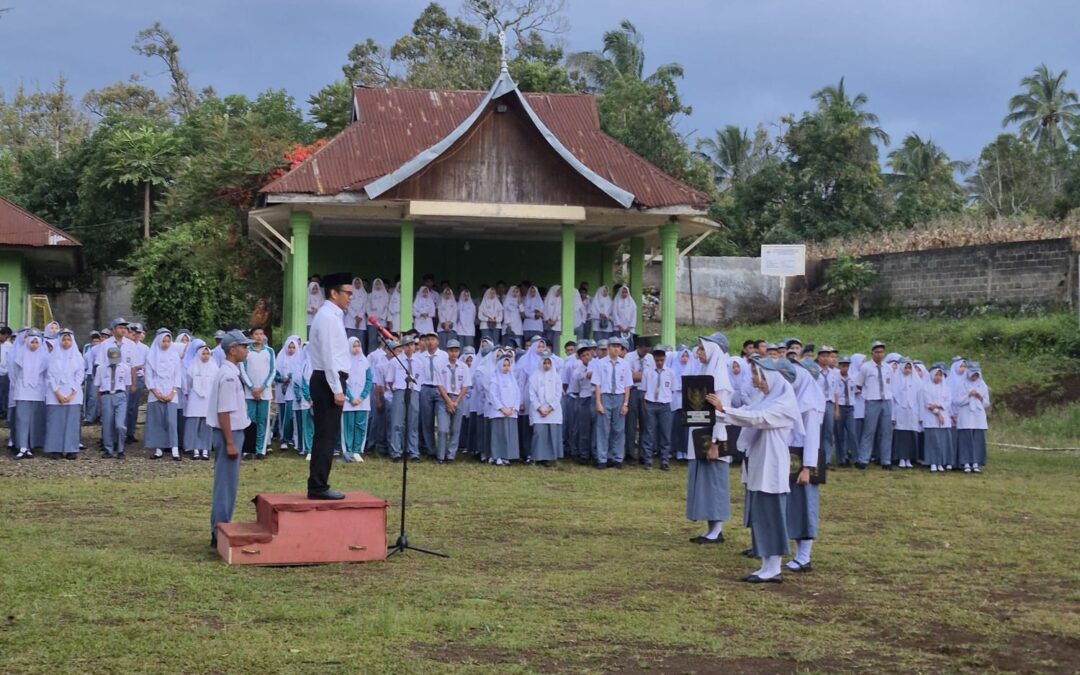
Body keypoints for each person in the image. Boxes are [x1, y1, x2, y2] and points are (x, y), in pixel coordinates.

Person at [720, 356, 802, 583]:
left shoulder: (783, 404)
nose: (757, 380)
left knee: (772, 516)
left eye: (760, 376)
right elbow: (747, 412)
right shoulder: (765, 400)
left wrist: (723, 409)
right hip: (759, 462)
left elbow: (756, 419)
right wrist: (714, 412)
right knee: (761, 516)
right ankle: (766, 565)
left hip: (772, 466)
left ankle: (774, 568)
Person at [307, 272, 355, 500]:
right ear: (334, 293)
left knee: (327, 435)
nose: (350, 297)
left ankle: (319, 483)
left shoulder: (334, 316)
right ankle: (318, 486)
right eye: (347, 293)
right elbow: (328, 356)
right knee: (325, 436)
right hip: (327, 381)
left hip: (330, 379)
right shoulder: (327, 317)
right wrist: (337, 388)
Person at [688, 333, 734, 544]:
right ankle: (711, 529)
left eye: (702, 349)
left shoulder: (720, 379)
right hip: (702, 435)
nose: (698, 353)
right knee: (706, 483)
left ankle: (717, 530)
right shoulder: (705, 372)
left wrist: (716, 444)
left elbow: (721, 415)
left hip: (714, 438)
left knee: (715, 482)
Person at [208, 330, 253, 549]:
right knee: (226, 485)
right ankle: (219, 531)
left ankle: (220, 528)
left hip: (232, 432)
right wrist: (230, 442)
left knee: (228, 484)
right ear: (232, 350)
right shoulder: (228, 375)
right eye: (244, 347)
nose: (247, 350)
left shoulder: (231, 372)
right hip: (229, 433)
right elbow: (224, 412)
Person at [786, 358, 826, 573]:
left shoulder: (810, 404)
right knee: (795, 506)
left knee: (806, 506)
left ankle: (804, 557)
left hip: (804, 462)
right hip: (793, 457)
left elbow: (812, 439)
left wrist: (808, 468)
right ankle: (799, 554)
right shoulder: (798, 398)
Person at [592, 337, 632, 469]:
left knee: (619, 429)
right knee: (603, 429)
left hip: (619, 397)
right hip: (605, 396)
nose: (616, 349)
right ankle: (602, 458)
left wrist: (625, 404)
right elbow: (597, 384)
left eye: (618, 347)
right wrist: (598, 402)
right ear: (608, 348)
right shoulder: (600, 363)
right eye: (613, 346)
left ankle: (617, 457)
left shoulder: (625, 364)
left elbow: (627, 385)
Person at [44, 329, 83, 459]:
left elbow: (80, 375)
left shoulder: (78, 356)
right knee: (55, 422)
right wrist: (57, 393)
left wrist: (72, 393)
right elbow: (49, 375)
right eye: (64, 340)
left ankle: (71, 448)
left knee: (72, 422)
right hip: (55, 393)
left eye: (68, 340)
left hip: (73, 393)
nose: (66, 342)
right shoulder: (52, 356)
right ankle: (55, 449)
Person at [144, 328, 183, 461]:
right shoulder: (151, 356)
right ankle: (158, 449)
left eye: (168, 341)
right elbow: (148, 376)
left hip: (171, 392)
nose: (166, 344)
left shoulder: (174, 356)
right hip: (156, 392)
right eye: (164, 341)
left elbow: (178, 375)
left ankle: (174, 449)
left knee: (171, 422)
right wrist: (156, 392)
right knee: (158, 421)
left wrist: (173, 392)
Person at [854, 341, 894, 470]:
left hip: (886, 400)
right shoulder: (866, 367)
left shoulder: (888, 367)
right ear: (872, 353)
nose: (879, 354)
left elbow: (891, 384)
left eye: (881, 352)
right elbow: (859, 384)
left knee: (886, 431)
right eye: (877, 352)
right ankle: (863, 459)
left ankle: (886, 460)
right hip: (872, 401)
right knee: (869, 431)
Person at [240, 327, 275, 459]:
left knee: (263, 421)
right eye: (256, 334)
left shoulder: (269, 351)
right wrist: (252, 387)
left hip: (265, 393)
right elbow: (242, 370)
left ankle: (261, 450)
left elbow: (272, 371)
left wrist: (263, 387)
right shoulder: (246, 351)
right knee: (250, 420)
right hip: (250, 393)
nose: (259, 337)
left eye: (261, 334)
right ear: (251, 336)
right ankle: (249, 450)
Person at [435, 339, 470, 464]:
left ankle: (451, 455)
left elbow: (465, 386)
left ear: (459, 352)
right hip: (444, 397)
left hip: (458, 398)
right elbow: (439, 385)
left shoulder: (464, 367)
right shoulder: (440, 366)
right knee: (443, 429)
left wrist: (456, 401)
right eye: (451, 351)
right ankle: (441, 456)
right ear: (447, 351)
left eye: (456, 351)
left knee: (455, 429)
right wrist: (449, 401)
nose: (453, 353)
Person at [387, 335, 421, 461]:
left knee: (413, 423)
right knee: (397, 423)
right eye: (406, 345)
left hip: (414, 391)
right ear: (402, 347)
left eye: (411, 345)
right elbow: (390, 380)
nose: (409, 348)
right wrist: (397, 391)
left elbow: (420, 379)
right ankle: (396, 451)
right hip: (400, 391)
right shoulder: (395, 361)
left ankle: (413, 451)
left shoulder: (419, 362)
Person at [641, 346, 674, 470]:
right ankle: (648, 460)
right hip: (651, 404)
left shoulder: (670, 373)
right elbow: (643, 390)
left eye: (661, 360)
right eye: (657, 360)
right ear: (653, 359)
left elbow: (673, 389)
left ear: (664, 359)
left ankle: (664, 461)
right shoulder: (648, 372)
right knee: (649, 433)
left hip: (664, 405)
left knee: (665, 433)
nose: (659, 362)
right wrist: (646, 404)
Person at [95, 346, 132, 459]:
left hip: (120, 394)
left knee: (120, 425)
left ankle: (121, 449)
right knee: (107, 424)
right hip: (106, 395)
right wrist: (99, 402)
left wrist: (125, 399)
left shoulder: (125, 368)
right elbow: (98, 386)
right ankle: (108, 449)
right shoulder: (101, 368)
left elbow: (127, 385)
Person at [416, 331, 448, 458]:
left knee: (442, 421)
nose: (430, 342)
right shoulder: (420, 357)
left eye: (432, 339)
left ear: (438, 342)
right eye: (428, 339)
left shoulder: (444, 355)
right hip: (425, 387)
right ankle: (430, 450)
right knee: (427, 421)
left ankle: (442, 451)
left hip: (440, 389)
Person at [183, 340, 217, 461]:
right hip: (195, 398)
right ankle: (195, 449)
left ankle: (205, 448)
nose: (206, 356)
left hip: (209, 398)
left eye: (207, 354)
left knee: (206, 424)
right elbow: (188, 383)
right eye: (203, 354)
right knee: (194, 423)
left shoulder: (214, 367)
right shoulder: (192, 367)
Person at [529, 350, 563, 466]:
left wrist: (550, 408)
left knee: (551, 433)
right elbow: (532, 395)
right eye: (545, 363)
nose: (547, 365)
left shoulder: (556, 377)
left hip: (552, 410)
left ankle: (549, 458)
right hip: (538, 410)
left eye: (549, 363)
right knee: (539, 433)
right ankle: (538, 457)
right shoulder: (534, 377)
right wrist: (539, 408)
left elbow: (558, 394)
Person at [341, 336, 373, 463]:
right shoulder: (344, 363)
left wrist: (361, 397)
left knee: (360, 425)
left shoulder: (365, 362)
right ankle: (347, 451)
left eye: (358, 346)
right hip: (348, 401)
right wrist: (350, 398)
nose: (356, 348)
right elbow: (342, 382)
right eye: (354, 346)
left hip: (362, 401)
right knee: (348, 426)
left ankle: (357, 450)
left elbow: (369, 380)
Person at [488, 352, 521, 466]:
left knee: (510, 435)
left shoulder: (512, 378)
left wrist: (513, 408)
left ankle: (507, 456)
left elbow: (518, 394)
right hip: (499, 412)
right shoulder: (494, 378)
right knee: (499, 435)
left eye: (508, 365)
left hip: (511, 412)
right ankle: (497, 456)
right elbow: (493, 395)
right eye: (504, 365)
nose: (506, 368)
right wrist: (502, 409)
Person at [955, 362, 989, 473]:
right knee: (966, 438)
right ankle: (966, 462)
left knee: (977, 439)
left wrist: (979, 397)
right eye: (972, 375)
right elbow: (957, 401)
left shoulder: (982, 384)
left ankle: (976, 462)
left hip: (978, 415)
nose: (974, 377)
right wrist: (969, 395)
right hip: (966, 414)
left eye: (976, 375)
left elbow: (986, 403)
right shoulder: (962, 384)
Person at [920, 363, 953, 473]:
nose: (938, 377)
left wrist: (938, 405)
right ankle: (932, 462)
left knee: (942, 441)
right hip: (931, 418)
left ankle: (940, 462)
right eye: (936, 375)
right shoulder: (926, 387)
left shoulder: (946, 388)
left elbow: (948, 402)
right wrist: (938, 413)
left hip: (944, 418)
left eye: (940, 375)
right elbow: (928, 404)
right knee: (933, 441)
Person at [891, 359, 920, 469]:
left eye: (909, 368)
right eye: (906, 368)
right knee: (901, 435)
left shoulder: (916, 381)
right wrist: (893, 416)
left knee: (911, 435)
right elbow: (893, 399)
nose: (907, 370)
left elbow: (919, 399)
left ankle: (909, 458)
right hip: (900, 411)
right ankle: (901, 458)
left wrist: (920, 416)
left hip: (912, 411)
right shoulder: (896, 380)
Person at [274, 336, 302, 450]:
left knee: (298, 417)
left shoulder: (300, 358)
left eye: (293, 347)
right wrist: (283, 379)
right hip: (287, 391)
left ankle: (296, 440)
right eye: (289, 347)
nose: (291, 350)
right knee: (288, 416)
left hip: (298, 391)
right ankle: (285, 439)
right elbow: (275, 374)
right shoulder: (281, 358)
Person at [125, 324, 150, 444]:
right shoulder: (125, 346)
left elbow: (146, 365)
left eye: (139, 332)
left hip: (138, 377)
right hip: (124, 377)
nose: (136, 335)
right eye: (134, 332)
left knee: (133, 407)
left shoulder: (144, 348)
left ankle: (130, 432)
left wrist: (145, 377)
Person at [835, 356, 857, 466]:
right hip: (840, 406)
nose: (845, 368)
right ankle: (841, 459)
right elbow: (836, 394)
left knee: (852, 433)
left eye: (847, 366)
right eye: (843, 366)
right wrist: (836, 409)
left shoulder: (852, 378)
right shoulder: (836, 378)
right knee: (839, 434)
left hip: (850, 407)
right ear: (839, 366)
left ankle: (856, 458)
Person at [366, 278, 391, 355]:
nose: (378, 286)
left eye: (379, 284)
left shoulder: (386, 295)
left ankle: (383, 356)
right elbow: (367, 307)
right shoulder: (370, 295)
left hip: (382, 321)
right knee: (372, 340)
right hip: (372, 322)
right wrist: (373, 318)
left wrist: (381, 317)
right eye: (376, 284)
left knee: (382, 340)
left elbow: (387, 308)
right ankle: (371, 356)